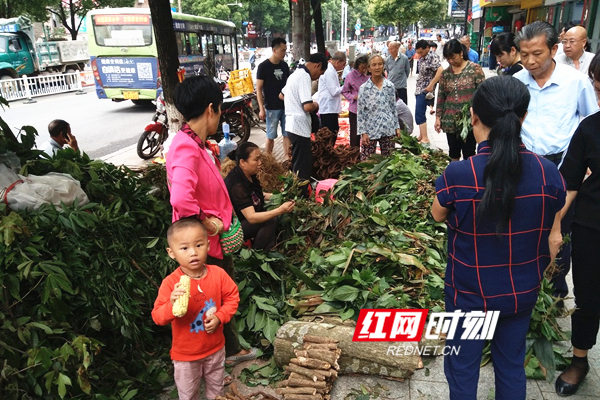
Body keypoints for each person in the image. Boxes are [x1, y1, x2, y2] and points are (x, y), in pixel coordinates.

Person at [432, 76, 566, 400]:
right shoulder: (549, 173)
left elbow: (437, 214)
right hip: (521, 294)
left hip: (469, 295)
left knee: (462, 368)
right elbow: (554, 236)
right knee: (510, 366)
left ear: (473, 115)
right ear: (523, 116)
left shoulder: (460, 175)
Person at [166, 76, 257, 383]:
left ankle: (226, 350)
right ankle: (208, 365)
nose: (221, 115)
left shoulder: (196, 143)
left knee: (216, 296)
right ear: (211, 109)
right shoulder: (185, 149)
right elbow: (180, 198)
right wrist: (209, 222)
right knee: (207, 303)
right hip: (202, 247)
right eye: (220, 109)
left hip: (212, 244)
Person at [513, 21, 598, 299]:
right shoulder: (516, 82)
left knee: (559, 234)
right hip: (524, 169)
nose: (530, 61)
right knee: (525, 231)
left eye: (537, 53)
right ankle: (525, 289)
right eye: (524, 54)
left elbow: (590, 121)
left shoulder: (576, 82)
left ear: (553, 49)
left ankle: (555, 294)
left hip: (564, 172)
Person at [553, 51, 600, 397]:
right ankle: (580, 358)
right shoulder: (590, 128)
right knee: (587, 296)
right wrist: (556, 228)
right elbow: (569, 182)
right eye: (599, 87)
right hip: (590, 225)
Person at [152, 218, 240, 400]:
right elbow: (158, 317)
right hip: (185, 356)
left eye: (199, 245)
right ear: (171, 253)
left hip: (215, 349)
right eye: (184, 248)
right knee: (188, 394)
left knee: (216, 391)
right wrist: (172, 305)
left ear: (208, 246)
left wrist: (220, 316)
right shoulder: (170, 284)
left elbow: (232, 297)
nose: (193, 253)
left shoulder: (218, 274)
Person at [224, 142, 295, 251]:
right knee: (270, 220)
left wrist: (279, 196)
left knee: (273, 216)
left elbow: (257, 196)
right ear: (243, 162)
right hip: (234, 228)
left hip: (245, 219)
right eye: (256, 160)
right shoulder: (236, 185)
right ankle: (261, 252)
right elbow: (251, 218)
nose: (260, 163)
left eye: (260, 159)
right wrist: (280, 210)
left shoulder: (248, 175)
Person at [282, 52, 328, 195]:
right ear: (317, 65)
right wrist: (316, 105)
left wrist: (292, 103)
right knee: (303, 165)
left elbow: (281, 95)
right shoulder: (304, 76)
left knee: (297, 162)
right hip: (299, 126)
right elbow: (307, 106)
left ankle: (295, 190)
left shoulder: (295, 74)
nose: (317, 77)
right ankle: (301, 195)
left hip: (291, 124)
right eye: (320, 74)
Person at [435, 39, 485, 161]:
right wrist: (438, 117)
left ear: (461, 53)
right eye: (448, 59)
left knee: (469, 151)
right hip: (450, 119)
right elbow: (441, 95)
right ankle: (455, 176)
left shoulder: (475, 69)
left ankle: (469, 176)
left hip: (469, 120)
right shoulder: (446, 74)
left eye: (453, 57)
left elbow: (483, 94)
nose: (451, 61)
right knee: (453, 151)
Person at [357, 54, 400, 160]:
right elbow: (361, 112)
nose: (377, 67)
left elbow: (393, 108)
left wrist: (397, 127)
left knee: (389, 161)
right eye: (374, 65)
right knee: (367, 161)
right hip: (370, 129)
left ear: (383, 66)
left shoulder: (389, 86)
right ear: (369, 68)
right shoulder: (364, 88)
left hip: (388, 127)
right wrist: (363, 132)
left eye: (380, 64)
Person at [256, 38, 291, 159]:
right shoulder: (263, 67)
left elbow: (289, 85)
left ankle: (287, 158)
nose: (284, 53)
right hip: (271, 107)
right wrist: (261, 108)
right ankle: (268, 160)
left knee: (287, 134)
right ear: (274, 50)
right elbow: (259, 89)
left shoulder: (285, 66)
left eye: (285, 50)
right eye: (282, 50)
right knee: (271, 136)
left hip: (286, 106)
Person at [414, 40, 443, 145]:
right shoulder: (422, 58)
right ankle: (421, 135)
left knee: (419, 112)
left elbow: (440, 70)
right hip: (420, 87)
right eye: (418, 52)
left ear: (427, 48)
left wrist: (431, 85)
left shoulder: (432, 57)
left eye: (421, 52)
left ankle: (425, 138)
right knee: (419, 111)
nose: (420, 54)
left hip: (425, 89)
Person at [341, 55, 369, 148]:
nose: (364, 69)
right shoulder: (350, 76)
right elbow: (344, 91)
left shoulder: (369, 75)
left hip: (368, 109)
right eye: (362, 67)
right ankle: (354, 155)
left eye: (366, 67)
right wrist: (353, 97)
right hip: (355, 109)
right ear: (358, 65)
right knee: (355, 135)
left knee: (368, 135)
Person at [317, 51, 347, 133]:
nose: (343, 67)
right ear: (337, 62)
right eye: (343, 64)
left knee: (334, 130)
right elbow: (334, 91)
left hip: (331, 108)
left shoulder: (331, 70)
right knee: (329, 133)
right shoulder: (329, 71)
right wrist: (346, 86)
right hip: (328, 108)